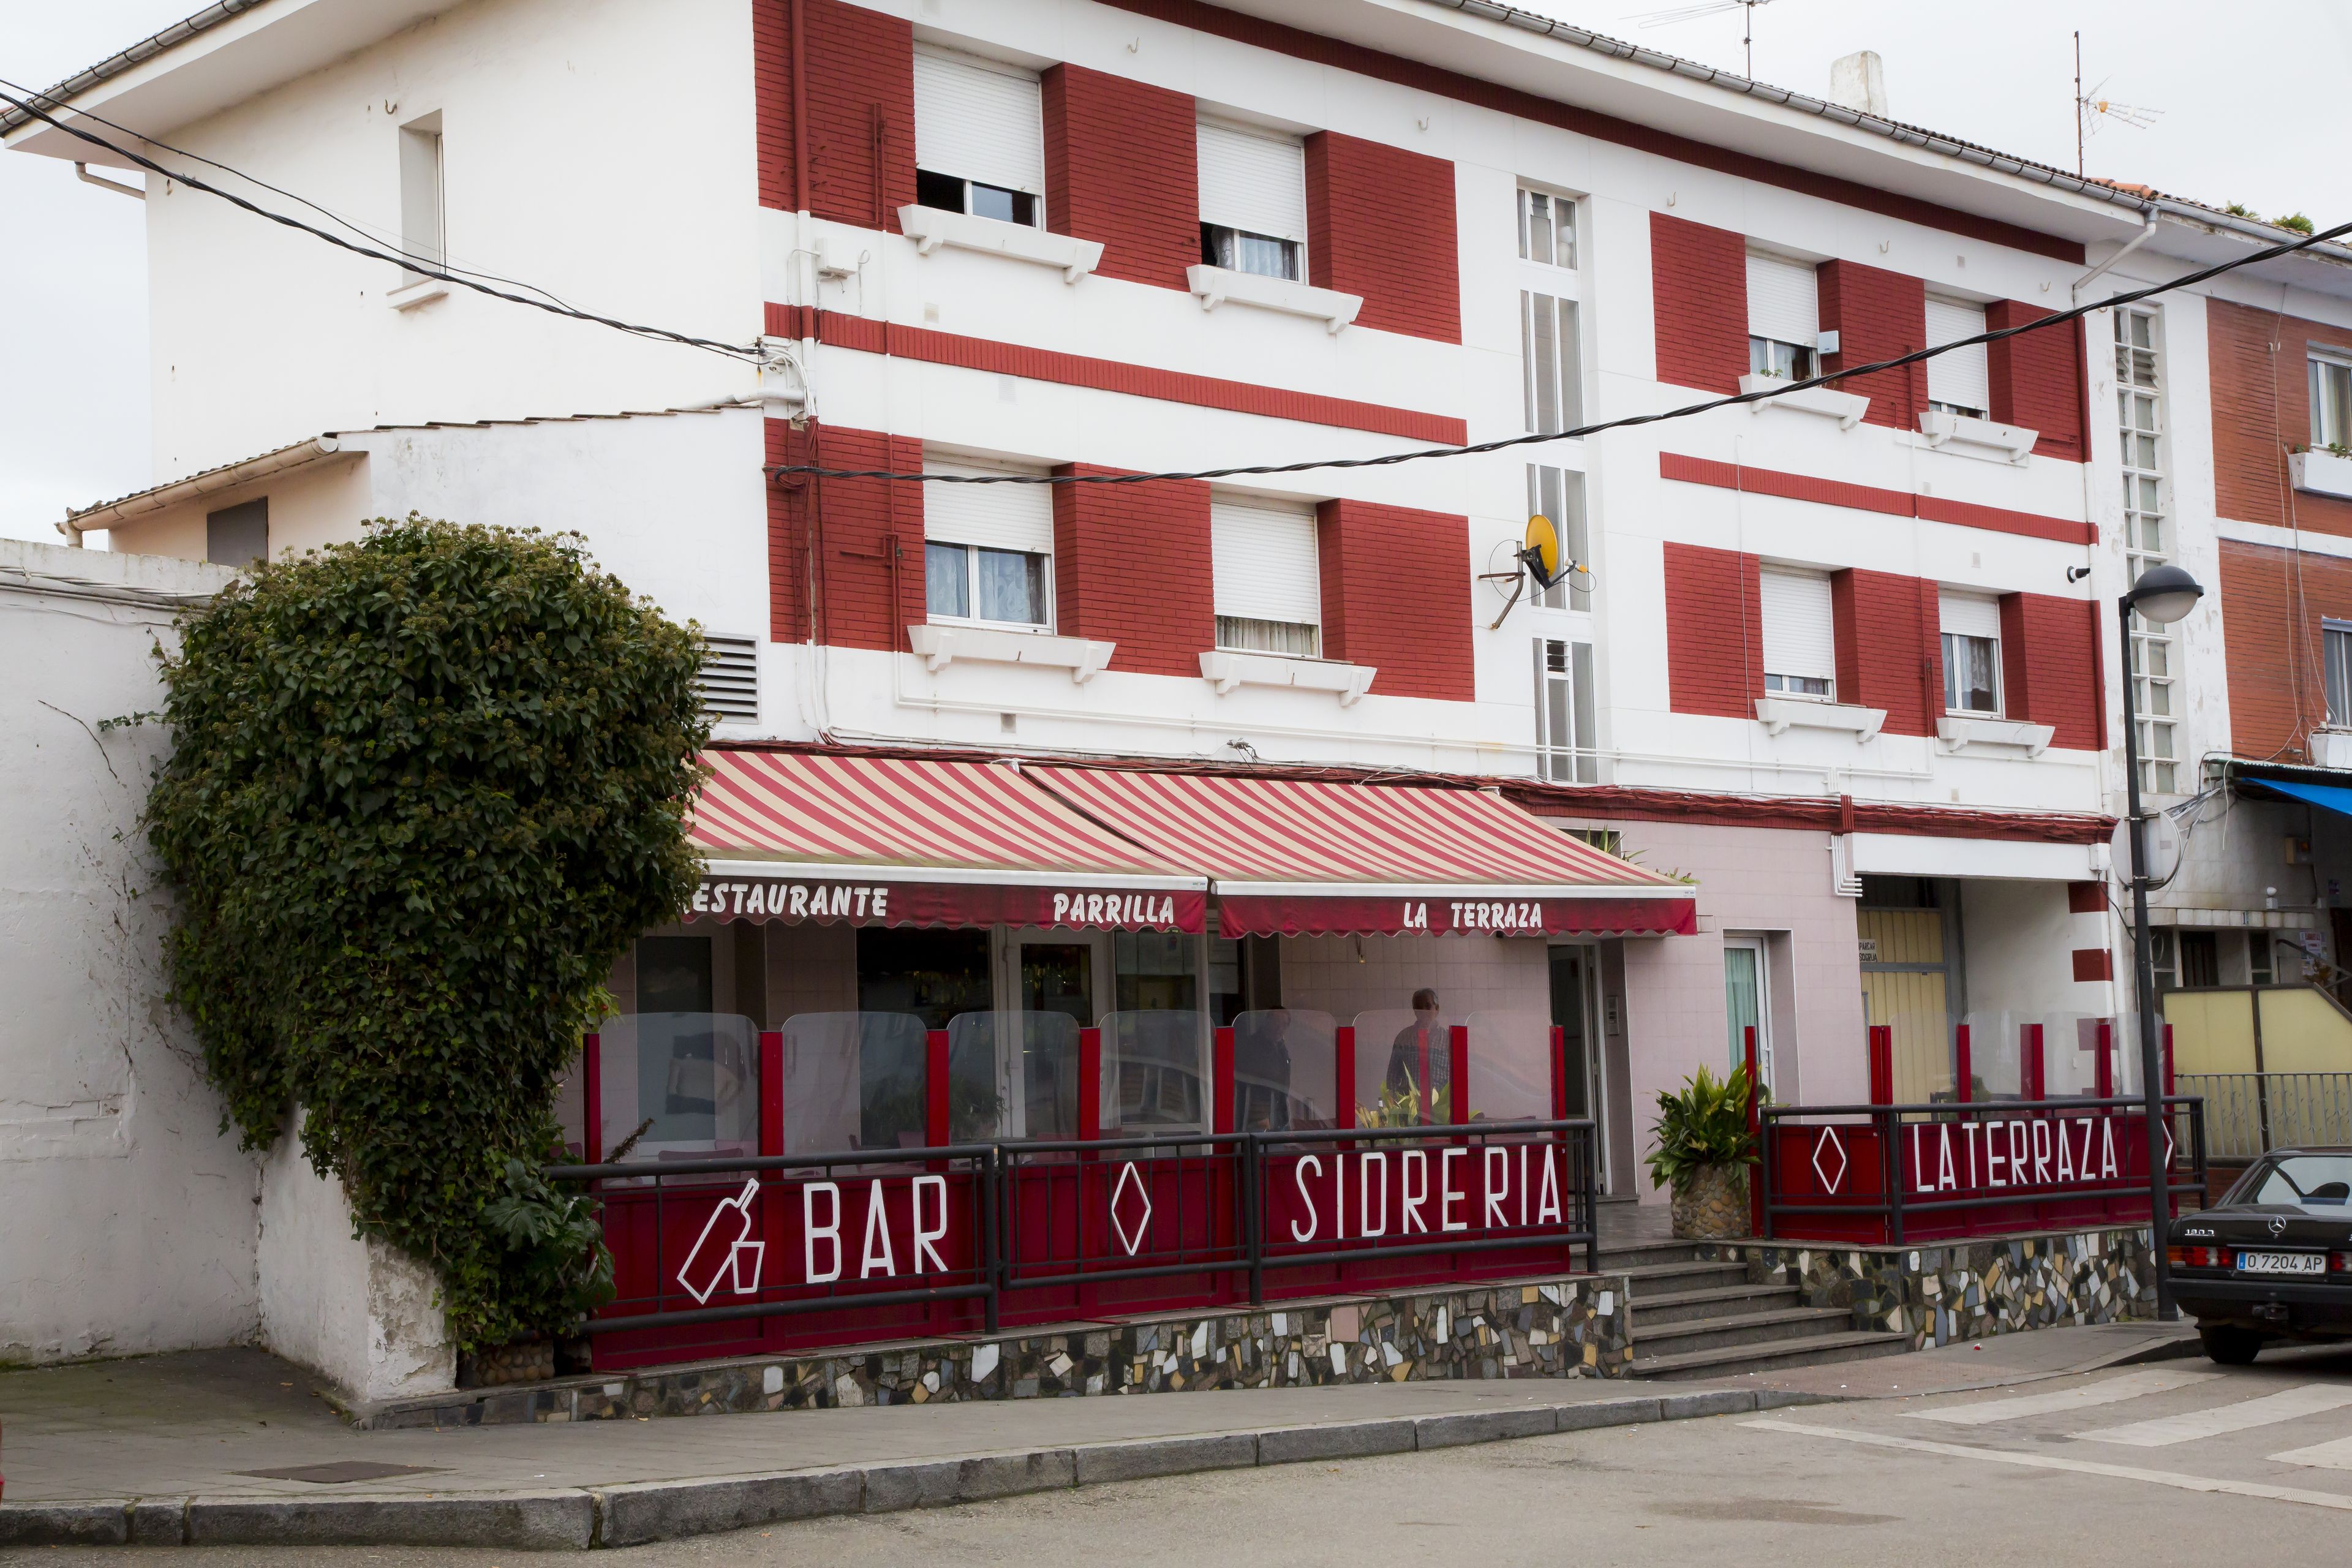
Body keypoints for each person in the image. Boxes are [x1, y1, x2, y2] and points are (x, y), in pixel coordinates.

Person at [1385, 989, 1446, 1121]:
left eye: (1428, 1006)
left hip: (1442, 1113)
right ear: (1414, 1010)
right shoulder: (1404, 1038)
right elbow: (1392, 1078)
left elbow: (1456, 1078)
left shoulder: (1448, 1040)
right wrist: (1397, 1108)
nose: (1423, 1012)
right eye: (1418, 1007)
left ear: (1437, 1009)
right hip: (1410, 1114)